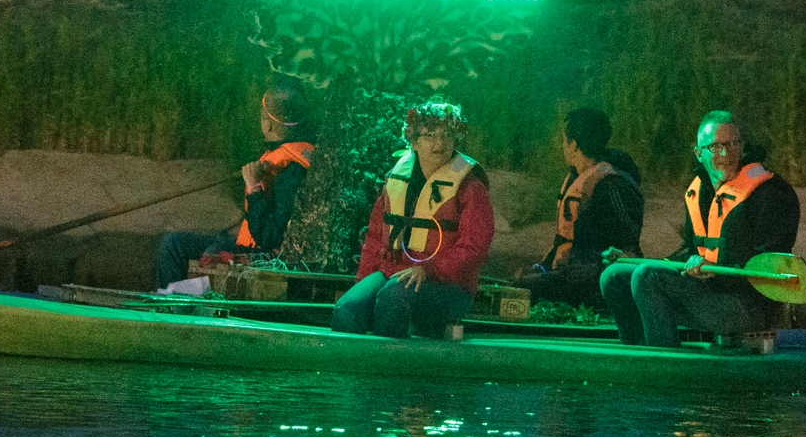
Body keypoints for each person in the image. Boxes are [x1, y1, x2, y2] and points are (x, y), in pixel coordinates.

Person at [598, 110, 799, 348]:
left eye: (733, 143)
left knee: (648, 277)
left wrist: (718, 270)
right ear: (699, 153)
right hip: (707, 295)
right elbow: (690, 250)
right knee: (614, 275)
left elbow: (771, 263)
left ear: (742, 146)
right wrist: (633, 259)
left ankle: (664, 363)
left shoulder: (770, 193)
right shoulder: (699, 191)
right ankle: (637, 354)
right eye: (715, 146)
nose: (726, 153)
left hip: (747, 307)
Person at [331, 99, 495, 339]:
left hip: (448, 286)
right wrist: (363, 282)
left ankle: (391, 370)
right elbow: (376, 237)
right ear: (414, 141)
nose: (439, 143)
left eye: (447, 135)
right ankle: (354, 371)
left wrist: (428, 269)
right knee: (347, 309)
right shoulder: (397, 178)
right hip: (394, 272)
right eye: (430, 135)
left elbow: (474, 246)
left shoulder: (470, 186)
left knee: (393, 297)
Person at [154, 78, 315, 289]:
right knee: (175, 243)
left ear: (267, 122)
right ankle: (174, 305)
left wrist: (254, 188)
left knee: (203, 248)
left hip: (267, 255)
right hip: (253, 245)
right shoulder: (293, 154)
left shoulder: (292, 170)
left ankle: (176, 312)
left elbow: (270, 237)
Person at [515, 107, 643, 308]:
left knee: (527, 289)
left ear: (574, 145)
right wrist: (541, 267)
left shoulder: (611, 184)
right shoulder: (576, 177)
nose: (562, 146)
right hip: (569, 274)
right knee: (522, 280)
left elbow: (626, 249)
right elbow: (563, 242)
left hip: (593, 281)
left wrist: (576, 272)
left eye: (564, 141)